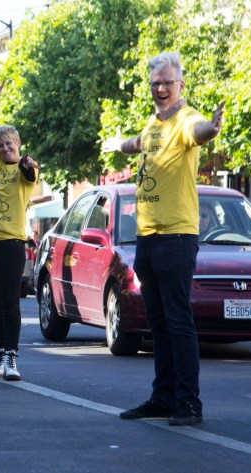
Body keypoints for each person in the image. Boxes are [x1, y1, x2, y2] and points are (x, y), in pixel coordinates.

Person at [102, 51, 225, 426]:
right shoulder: (153, 125)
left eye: (167, 83)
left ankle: (189, 403)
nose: (160, 88)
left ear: (180, 86)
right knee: (157, 323)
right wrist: (116, 143)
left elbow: (200, 131)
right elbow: (136, 145)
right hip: (148, 238)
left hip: (176, 237)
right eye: (155, 83)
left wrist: (214, 128)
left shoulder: (187, 121)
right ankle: (163, 397)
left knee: (178, 321)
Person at [0, 81, 40, 381]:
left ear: (18, 144)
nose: (3, 149)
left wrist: (26, 164)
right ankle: (0, 354)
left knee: (10, 300)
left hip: (11, 244)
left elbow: (29, 171)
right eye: (1, 146)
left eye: (9, 145)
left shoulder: (26, 172)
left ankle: (12, 358)